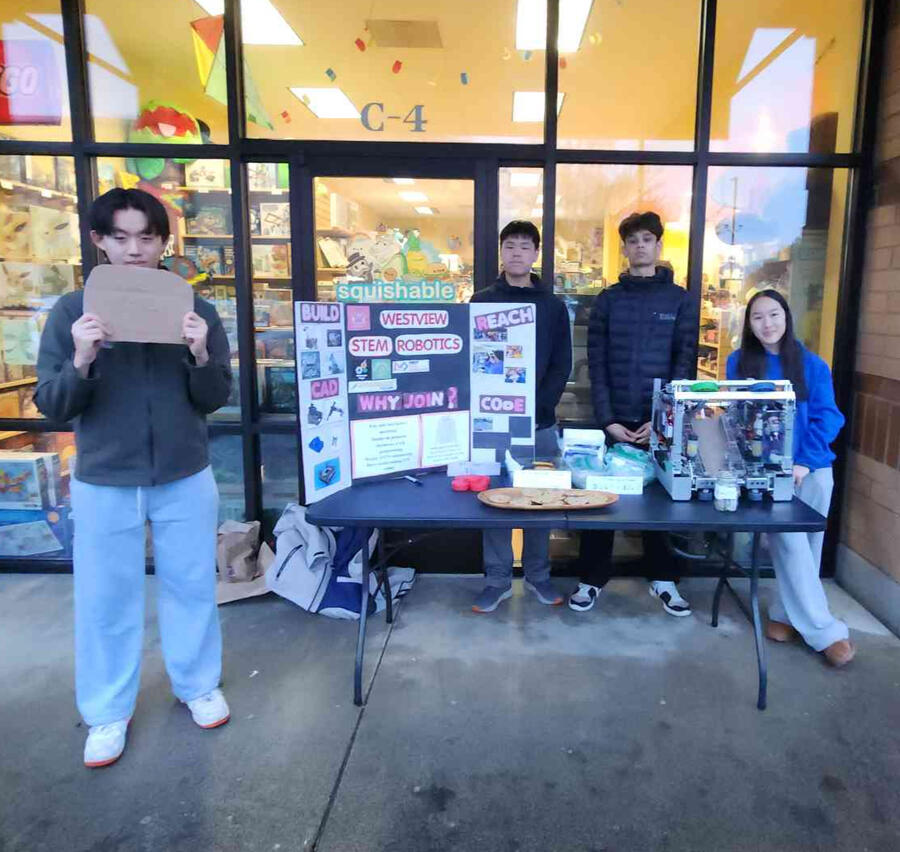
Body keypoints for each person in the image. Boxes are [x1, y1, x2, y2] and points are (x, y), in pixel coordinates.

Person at [35, 188, 233, 768]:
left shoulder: (195, 308)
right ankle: (106, 712)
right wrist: (82, 358)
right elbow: (53, 404)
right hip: (104, 476)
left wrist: (200, 354)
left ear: (163, 242)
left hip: (184, 471)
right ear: (98, 241)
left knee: (191, 585)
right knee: (105, 597)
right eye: (119, 237)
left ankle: (198, 685)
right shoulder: (73, 312)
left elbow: (215, 397)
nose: (134, 249)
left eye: (147, 237)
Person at [569, 212, 697, 615]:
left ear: (659, 245)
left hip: (660, 424)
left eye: (647, 239)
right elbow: (597, 363)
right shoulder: (608, 300)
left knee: (662, 502)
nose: (640, 246)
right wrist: (608, 420)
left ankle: (663, 579)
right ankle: (591, 578)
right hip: (614, 421)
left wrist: (662, 421)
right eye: (633, 240)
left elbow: (684, 364)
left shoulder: (680, 300)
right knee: (600, 500)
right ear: (625, 248)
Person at [726, 289, 854, 666]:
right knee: (790, 543)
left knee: (809, 546)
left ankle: (785, 614)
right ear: (749, 324)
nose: (767, 324)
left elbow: (828, 417)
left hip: (813, 469)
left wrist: (803, 462)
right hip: (767, 472)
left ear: (786, 317)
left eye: (774, 315)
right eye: (758, 317)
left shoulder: (812, 365)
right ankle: (824, 631)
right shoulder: (738, 362)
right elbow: (737, 417)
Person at [469, 220, 572, 612]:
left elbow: (562, 363)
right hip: (491, 420)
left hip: (539, 421)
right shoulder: (481, 301)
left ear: (536, 254)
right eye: (509, 245)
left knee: (539, 500)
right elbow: (471, 358)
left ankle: (538, 576)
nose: (516, 252)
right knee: (495, 499)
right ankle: (496, 580)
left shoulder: (552, 306)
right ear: (501, 252)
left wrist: (540, 406)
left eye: (525, 246)